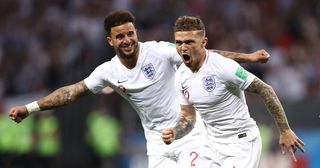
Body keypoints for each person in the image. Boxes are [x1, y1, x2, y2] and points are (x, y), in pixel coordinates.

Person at [9, 10, 269, 168]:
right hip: (157, 144)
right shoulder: (108, 71)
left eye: (130, 33)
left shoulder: (158, 51)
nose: (127, 40)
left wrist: (248, 57)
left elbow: (205, 54)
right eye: (120, 36)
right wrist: (30, 108)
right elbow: (71, 93)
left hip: (191, 133)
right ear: (110, 40)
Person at [161, 15, 305, 168]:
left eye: (189, 42)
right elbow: (188, 117)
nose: (183, 47)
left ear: (203, 43)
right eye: (179, 42)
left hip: (241, 144)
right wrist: (175, 131)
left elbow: (265, 89)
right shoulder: (181, 76)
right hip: (209, 144)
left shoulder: (224, 67)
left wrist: (285, 130)